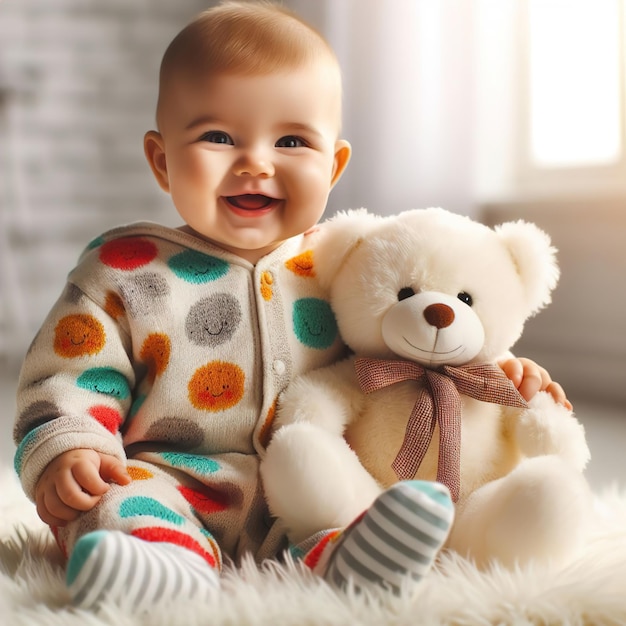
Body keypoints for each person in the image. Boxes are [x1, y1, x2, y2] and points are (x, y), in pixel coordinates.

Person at [12, 0, 570, 612]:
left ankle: (350, 560)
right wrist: (72, 447)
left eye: (292, 140)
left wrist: (499, 368)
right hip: (171, 480)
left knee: (347, 506)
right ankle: (159, 569)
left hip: (304, 487)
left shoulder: (343, 265)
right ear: (163, 160)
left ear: (332, 167)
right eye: (218, 136)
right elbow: (68, 374)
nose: (256, 161)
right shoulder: (125, 267)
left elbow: (416, 334)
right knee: (115, 502)